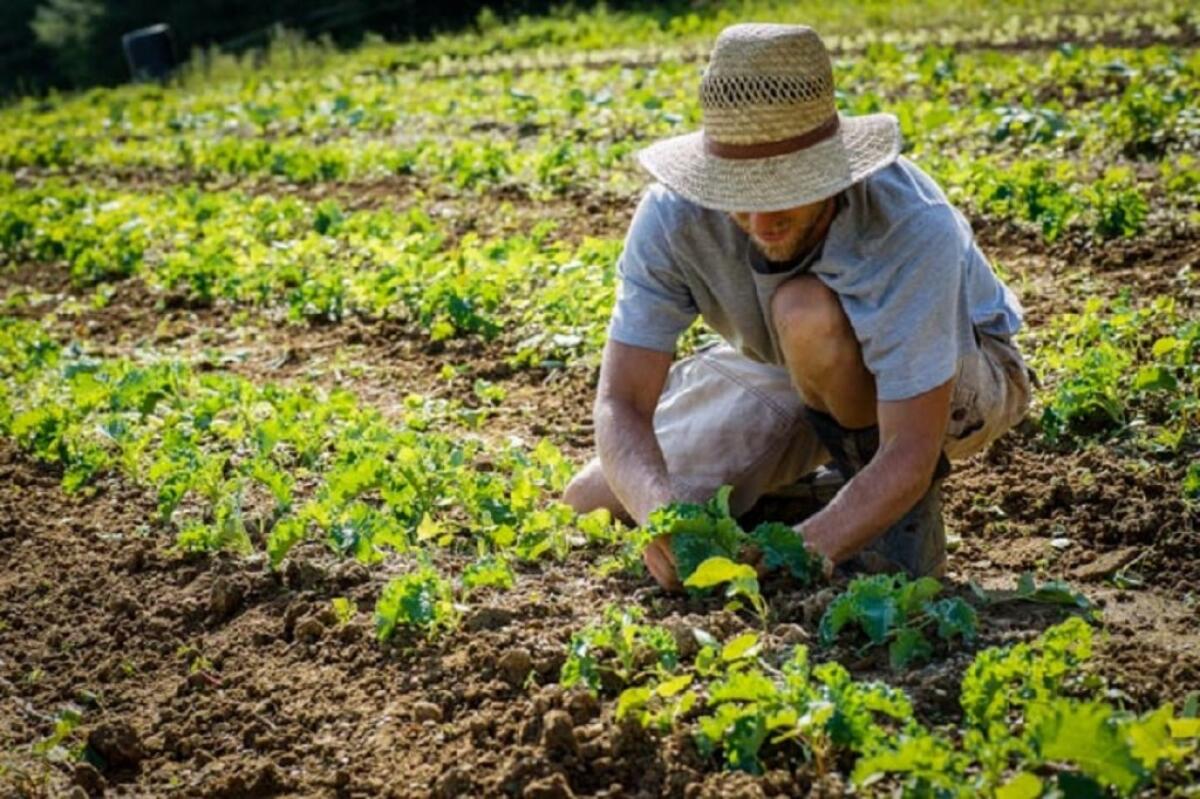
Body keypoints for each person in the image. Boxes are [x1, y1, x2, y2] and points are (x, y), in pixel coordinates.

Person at [562, 23, 1032, 591]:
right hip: (791, 364)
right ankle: (819, 496)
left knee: (804, 309)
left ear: (832, 169)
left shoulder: (908, 223)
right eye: (738, 193)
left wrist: (801, 552)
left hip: (955, 378)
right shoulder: (673, 216)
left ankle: (892, 522)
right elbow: (621, 402)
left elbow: (910, 446)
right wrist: (659, 517)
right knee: (594, 496)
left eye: (784, 192)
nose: (761, 222)